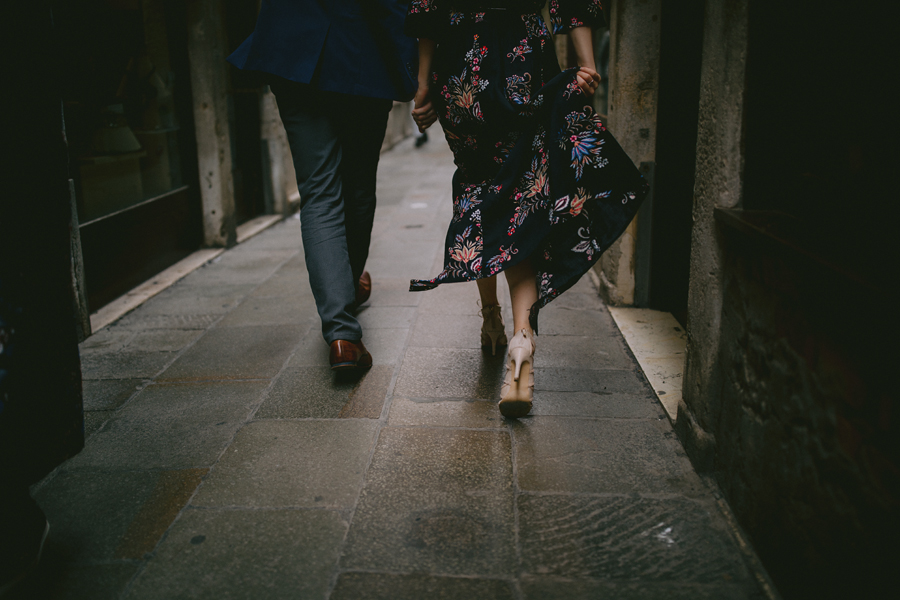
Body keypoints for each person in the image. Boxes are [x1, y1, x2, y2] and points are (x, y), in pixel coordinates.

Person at [405, 0, 648, 416]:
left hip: (462, 68)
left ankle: (491, 318)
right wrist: (586, 63)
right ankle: (521, 339)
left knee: (479, 194)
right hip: (524, 61)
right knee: (520, 198)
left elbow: (427, 9)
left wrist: (423, 83)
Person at [228, 0, 417, 370]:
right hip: (360, 50)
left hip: (293, 46)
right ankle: (344, 302)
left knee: (319, 192)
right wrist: (412, 74)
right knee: (358, 185)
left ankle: (342, 332)